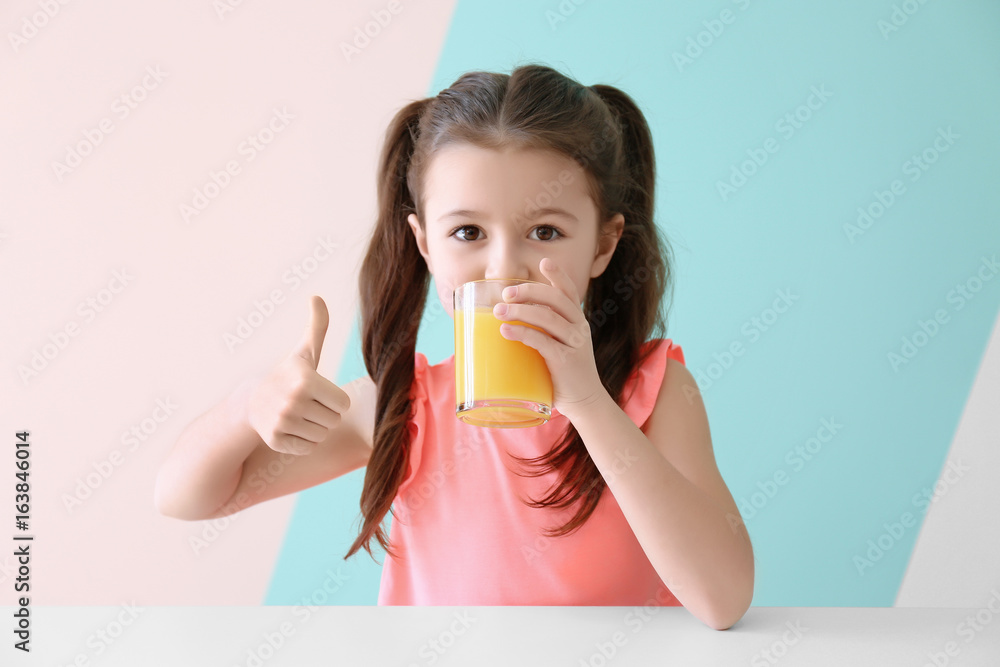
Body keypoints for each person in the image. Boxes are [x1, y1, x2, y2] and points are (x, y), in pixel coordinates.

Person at [155, 63, 754, 630]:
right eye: (468, 232)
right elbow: (187, 498)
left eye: (545, 231)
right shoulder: (402, 410)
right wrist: (248, 407)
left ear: (603, 246)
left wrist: (590, 405)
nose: (504, 268)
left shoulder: (653, 392)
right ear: (424, 244)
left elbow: (722, 599)